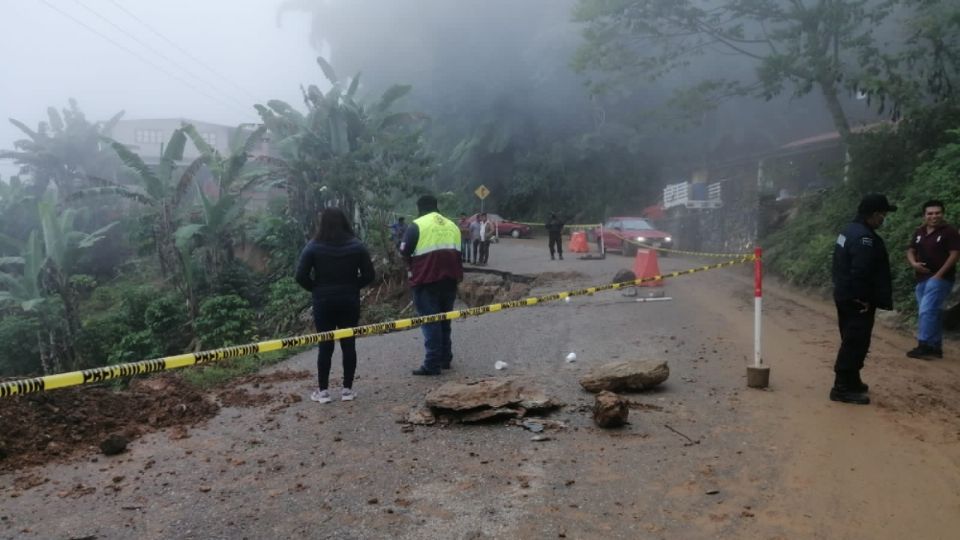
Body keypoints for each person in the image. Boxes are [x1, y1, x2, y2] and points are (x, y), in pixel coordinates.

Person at [295, 207, 376, 403]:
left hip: (323, 301)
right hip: (349, 299)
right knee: (349, 343)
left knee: (325, 344)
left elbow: (300, 276)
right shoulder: (356, 246)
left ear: (322, 223)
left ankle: (323, 392)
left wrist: (316, 288)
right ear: (344, 222)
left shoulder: (313, 246)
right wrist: (352, 286)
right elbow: (369, 275)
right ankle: (347, 390)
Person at [830, 194, 897, 405]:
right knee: (855, 342)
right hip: (857, 299)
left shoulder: (848, 230)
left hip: (844, 294)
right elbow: (861, 271)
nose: (883, 219)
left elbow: (839, 264)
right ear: (874, 214)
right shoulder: (864, 239)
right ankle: (841, 387)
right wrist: (861, 298)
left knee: (852, 338)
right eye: (883, 215)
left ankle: (852, 380)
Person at [400, 194, 464, 375]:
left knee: (430, 322)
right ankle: (445, 359)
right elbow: (459, 253)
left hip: (426, 282)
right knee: (444, 321)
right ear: (437, 207)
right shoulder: (452, 225)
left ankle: (432, 364)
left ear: (419, 208)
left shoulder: (417, 225)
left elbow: (404, 251)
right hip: (450, 281)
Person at [905, 200, 960, 359]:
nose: (934, 216)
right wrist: (914, 263)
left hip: (940, 279)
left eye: (937, 213)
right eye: (930, 213)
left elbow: (955, 254)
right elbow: (910, 250)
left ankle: (924, 344)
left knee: (927, 310)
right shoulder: (920, 231)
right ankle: (935, 346)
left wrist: (939, 274)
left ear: (942, 214)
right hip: (921, 278)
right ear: (924, 215)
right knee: (932, 311)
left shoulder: (949, 232)